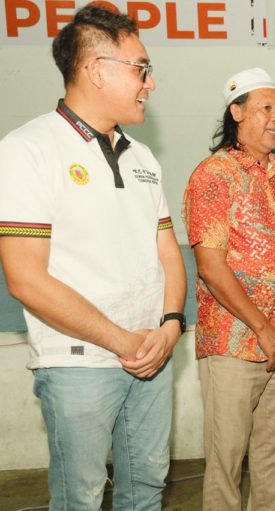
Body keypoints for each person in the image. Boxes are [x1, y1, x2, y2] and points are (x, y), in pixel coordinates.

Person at [0, 5, 186, 509]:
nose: (150, 83)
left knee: (146, 488)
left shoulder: (143, 158)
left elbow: (168, 253)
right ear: (97, 70)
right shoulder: (29, 149)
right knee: (79, 498)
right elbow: (24, 278)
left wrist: (169, 325)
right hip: (78, 363)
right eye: (141, 68)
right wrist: (122, 340)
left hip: (153, 354)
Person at [182, 67, 275, 511]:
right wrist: (263, 327)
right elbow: (210, 266)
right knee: (226, 462)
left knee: (274, 459)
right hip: (235, 344)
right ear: (236, 112)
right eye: (265, 108)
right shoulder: (213, 175)